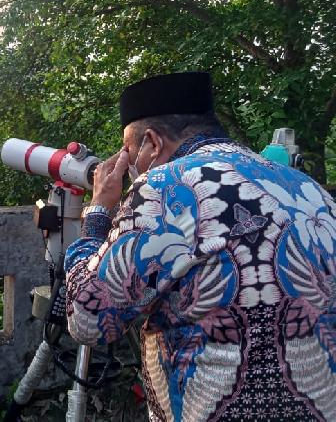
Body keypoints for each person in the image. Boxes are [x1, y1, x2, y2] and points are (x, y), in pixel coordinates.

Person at [65, 72, 336, 421]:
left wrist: (99, 210)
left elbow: (89, 320)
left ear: (152, 142)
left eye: (128, 153)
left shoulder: (163, 186)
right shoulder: (310, 190)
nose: (129, 166)